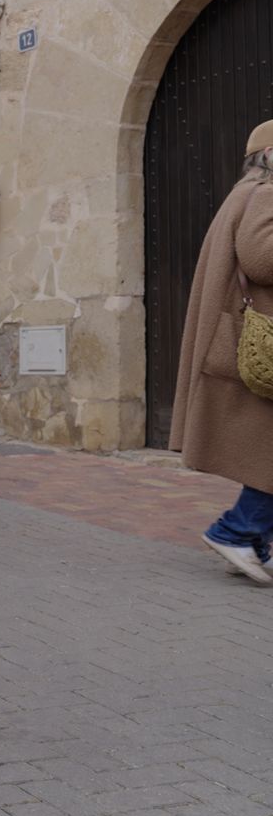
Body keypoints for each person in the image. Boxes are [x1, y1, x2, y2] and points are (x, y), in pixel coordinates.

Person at [172, 121, 273, 583]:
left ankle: (255, 539)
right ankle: (236, 530)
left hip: (245, 342)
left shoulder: (246, 190)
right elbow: (260, 257)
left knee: (265, 447)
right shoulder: (265, 192)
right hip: (260, 342)